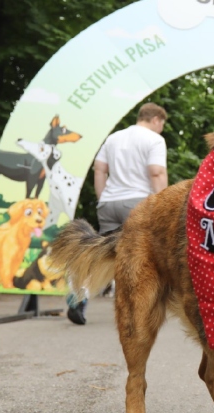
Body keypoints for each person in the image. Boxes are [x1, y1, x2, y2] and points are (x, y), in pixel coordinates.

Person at [65, 102, 168, 325]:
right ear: (156, 120)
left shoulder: (113, 138)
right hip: (139, 203)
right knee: (141, 259)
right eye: (162, 124)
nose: (161, 129)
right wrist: (163, 207)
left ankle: (78, 296)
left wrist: (103, 197)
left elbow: (100, 169)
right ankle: (134, 312)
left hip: (110, 202)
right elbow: (157, 172)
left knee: (105, 255)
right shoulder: (154, 140)